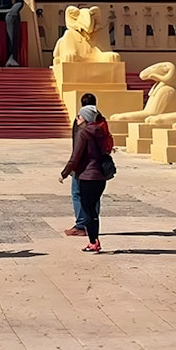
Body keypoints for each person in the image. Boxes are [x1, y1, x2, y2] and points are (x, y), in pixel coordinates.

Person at [60, 103, 113, 253]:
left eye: (80, 116)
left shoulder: (83, 133)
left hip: (87, 176)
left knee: (87, 209)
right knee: (93, 210)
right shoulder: (101, 132)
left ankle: (92, 241)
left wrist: (64, 173)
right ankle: (94, 240)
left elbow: (75, 157)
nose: (77, 118)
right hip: (100, 176)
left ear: (85, 118)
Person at [64, 94, 104, 237]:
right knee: (94, 198)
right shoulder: (101, 121)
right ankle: (92, 223)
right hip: (99, 167)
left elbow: (77, 149)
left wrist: (67, 171)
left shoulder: (82, 124)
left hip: (83, 167)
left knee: (77, 194)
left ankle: (81, 225)